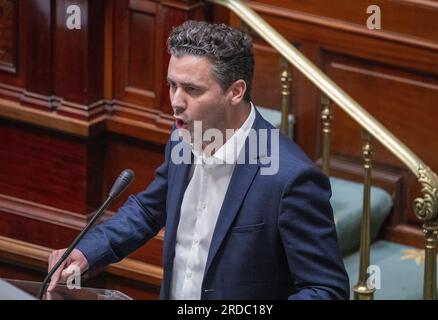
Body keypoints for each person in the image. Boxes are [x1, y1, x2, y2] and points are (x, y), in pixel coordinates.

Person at [47, 20, 349, 299]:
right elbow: (150, 210)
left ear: (235, 92)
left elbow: (326, 289)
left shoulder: (289, 178)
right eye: (172, 85)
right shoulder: (183, 136)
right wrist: (87, 252)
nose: (176, 102)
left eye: (192, 89)